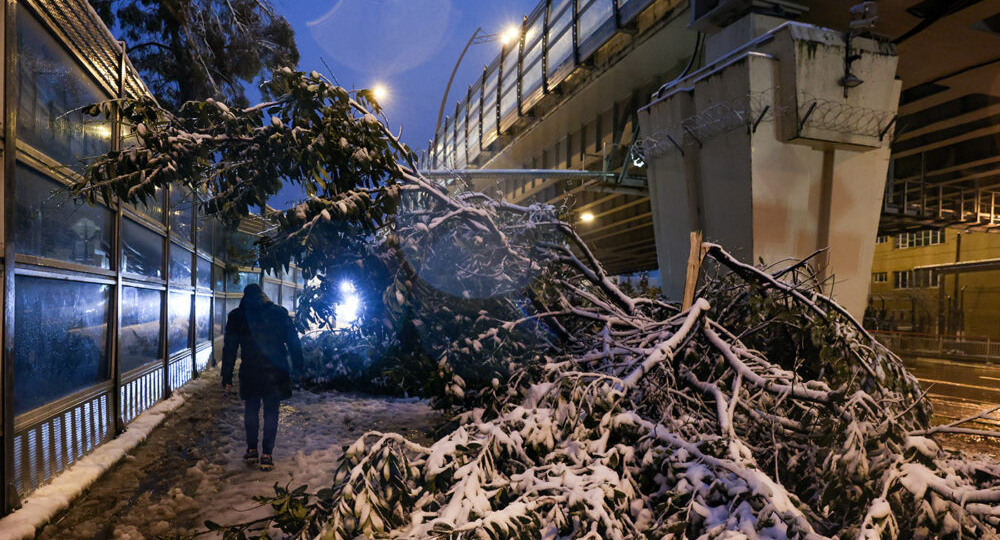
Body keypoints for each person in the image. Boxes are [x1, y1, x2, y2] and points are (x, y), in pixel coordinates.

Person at [221, 283, 304, 471]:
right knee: (271, 413)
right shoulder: (279, 313)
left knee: (251, 410)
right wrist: (298, 368)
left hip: (250, 371)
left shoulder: (237, 316)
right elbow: (294, 342)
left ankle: (251, 450)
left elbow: (229, 349)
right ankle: (267, 455)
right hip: (275, 372)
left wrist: (227, 376)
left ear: (244, 297)